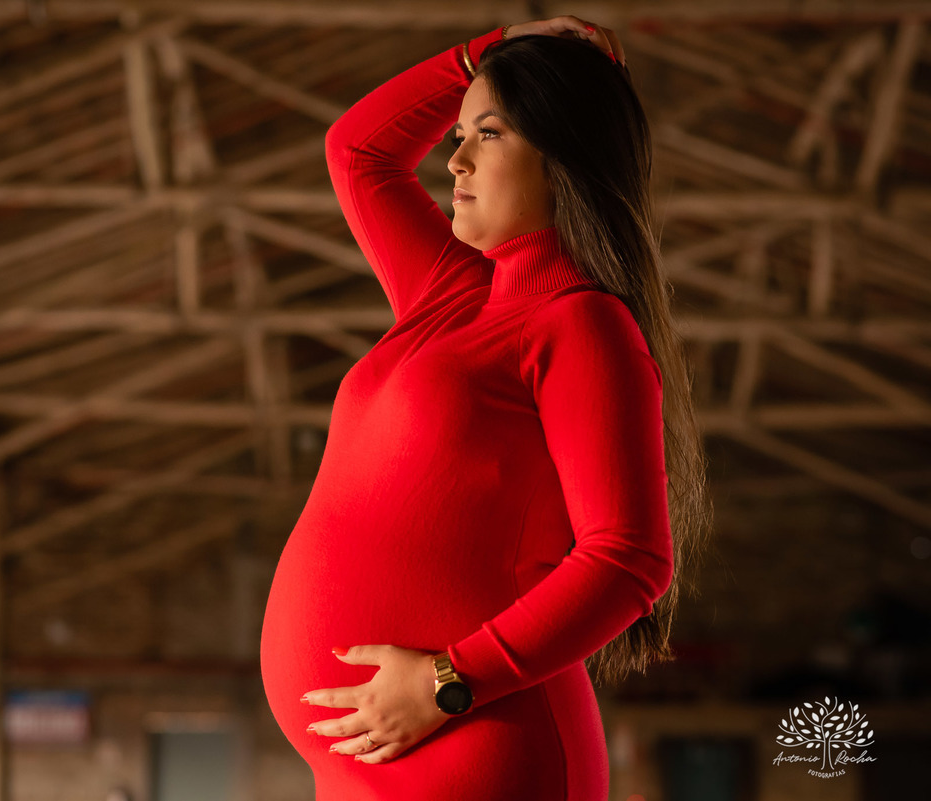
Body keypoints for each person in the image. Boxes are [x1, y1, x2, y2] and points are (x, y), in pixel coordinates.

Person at [258, 14, 713, 801]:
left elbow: (629, 557)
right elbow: (359, 151)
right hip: (367, 761)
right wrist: (486, 48)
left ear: (561, 155)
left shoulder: (582, 322)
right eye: (459, 132)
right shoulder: (450, 293)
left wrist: (446, 682)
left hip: (480, 748)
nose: (455, 158)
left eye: (489, 134)